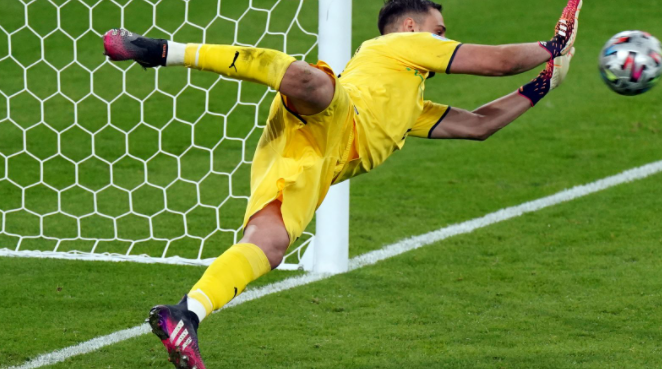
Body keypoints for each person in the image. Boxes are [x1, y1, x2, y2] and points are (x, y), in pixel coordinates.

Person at [103, 0, 581, 367]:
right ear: (412, 28)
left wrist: (543, 84)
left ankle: (186, 314)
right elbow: (496, 62)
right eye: (440, 30)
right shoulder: (392, 46)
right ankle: (160, 51)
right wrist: (552, 46)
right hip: (334, 112)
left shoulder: (410, 102)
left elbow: (479, 124)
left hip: (318, 158)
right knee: (310, 82)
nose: (444, 38)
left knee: (268, 245)